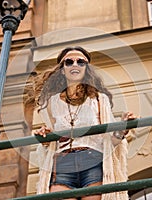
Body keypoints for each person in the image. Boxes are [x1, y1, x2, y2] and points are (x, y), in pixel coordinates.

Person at [33, 46, 136, 200]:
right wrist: (45, 136)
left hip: (92, 159)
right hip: (63, 162)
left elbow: (110, 141)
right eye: (69, 62)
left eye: (81, 62)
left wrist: (122, 129)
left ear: (87, 69)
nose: (75, 64)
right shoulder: (51, 103)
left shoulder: (99, 99)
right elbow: (51, 139)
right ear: (62, 69)